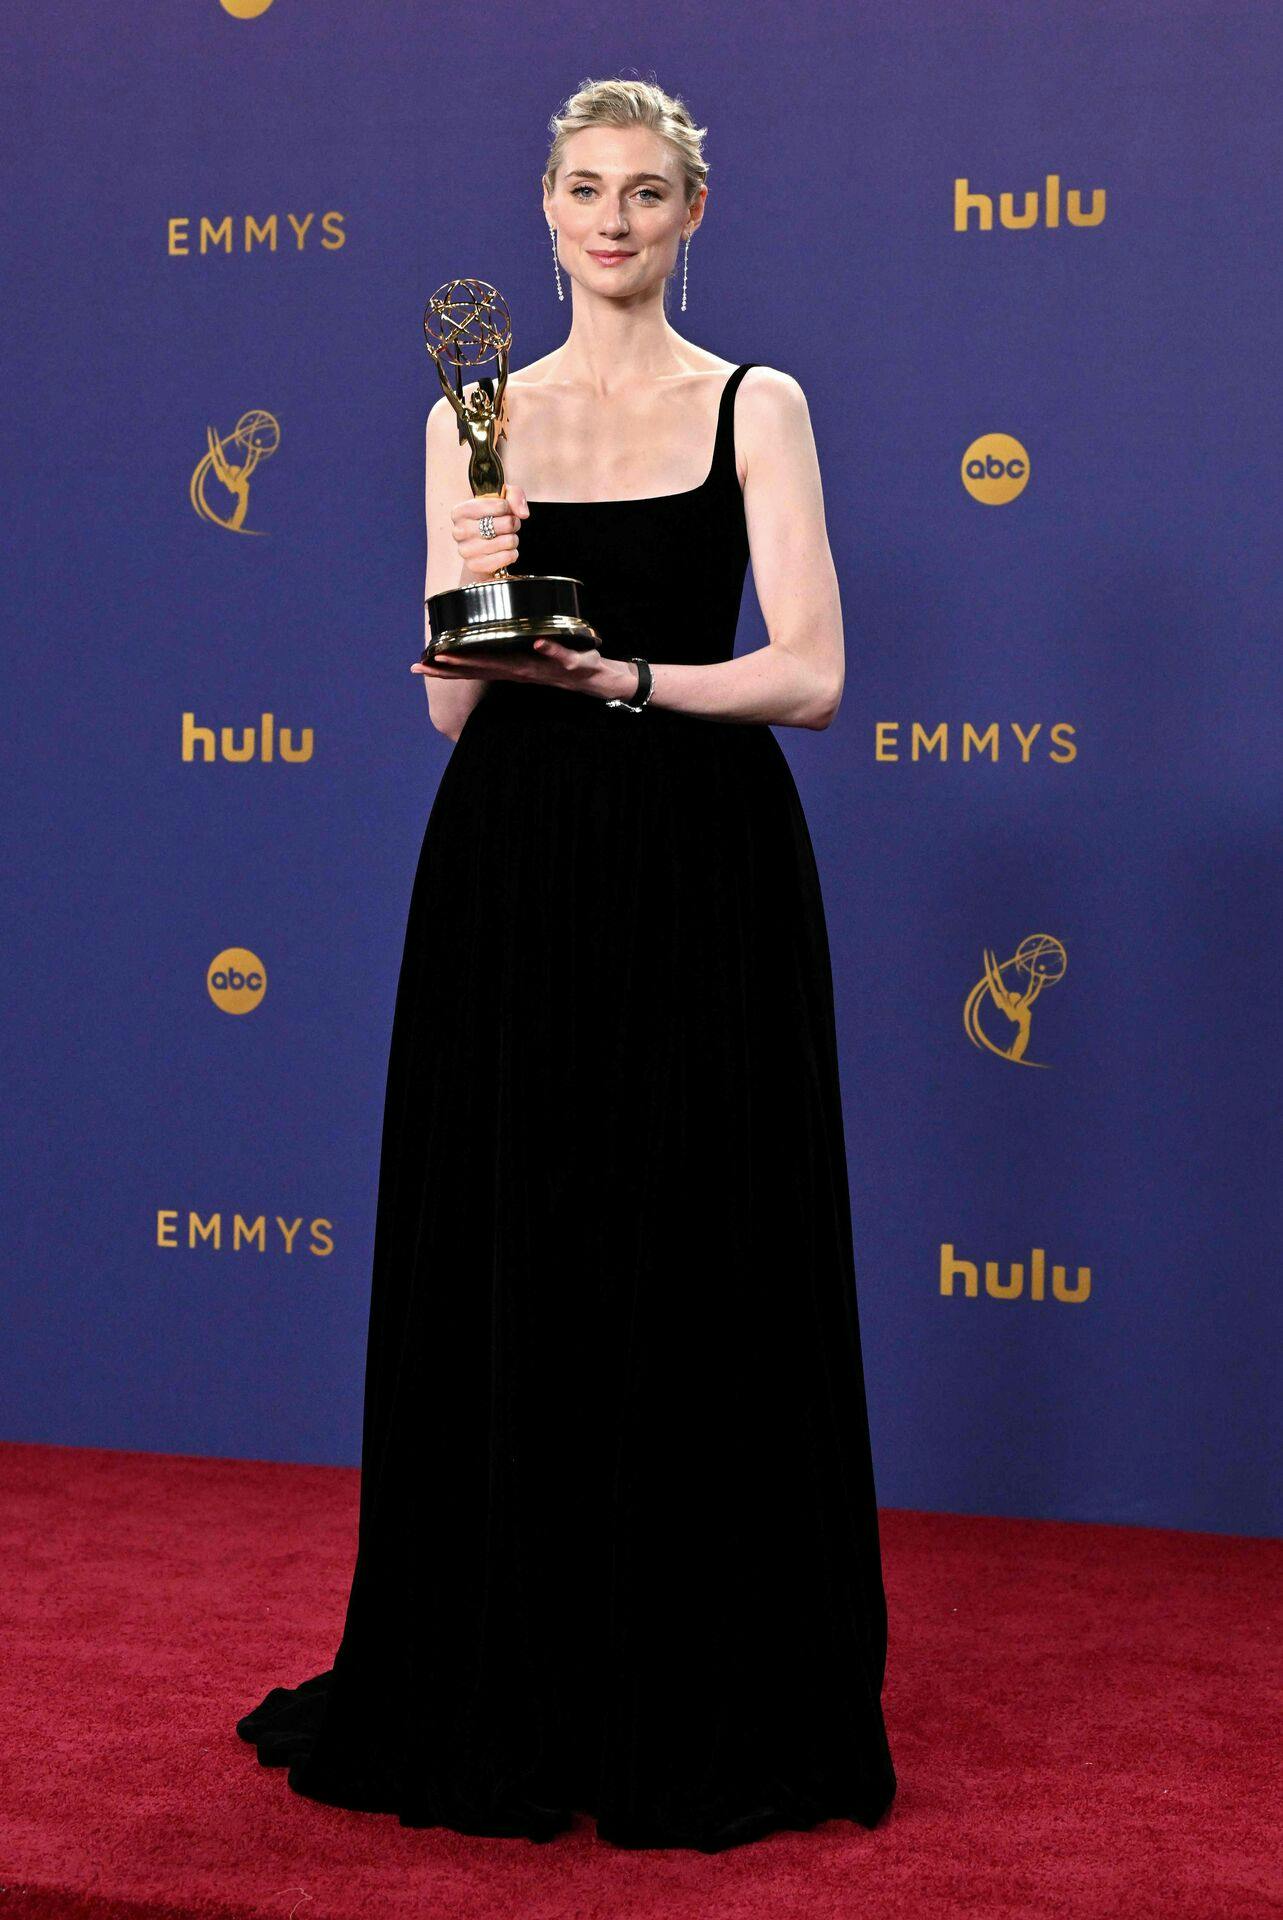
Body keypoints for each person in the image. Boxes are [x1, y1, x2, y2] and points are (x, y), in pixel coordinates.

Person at [236, 74, 898, 1853]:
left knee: (694, 1249)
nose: (614, 218)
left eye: (648, 191)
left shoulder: (759, 403)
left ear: (696, 215)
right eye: (585, 189)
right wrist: (461, 577)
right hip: (516, 871)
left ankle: (694, 1677)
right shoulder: (474, 411)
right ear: (542, 211)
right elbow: (459, 708)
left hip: (703, 865)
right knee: (520, 1241)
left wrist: (632, 684)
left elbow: (816, 671)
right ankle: (503, 1665)